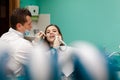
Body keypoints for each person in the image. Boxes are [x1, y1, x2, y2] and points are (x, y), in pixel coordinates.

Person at [0, 8, 43, 80]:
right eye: (29, 24)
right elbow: (41, 67)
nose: (31, 27)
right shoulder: (23, 44)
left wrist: (34, 42)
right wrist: (55, 48)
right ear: (19, 26)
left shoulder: (4, 37)